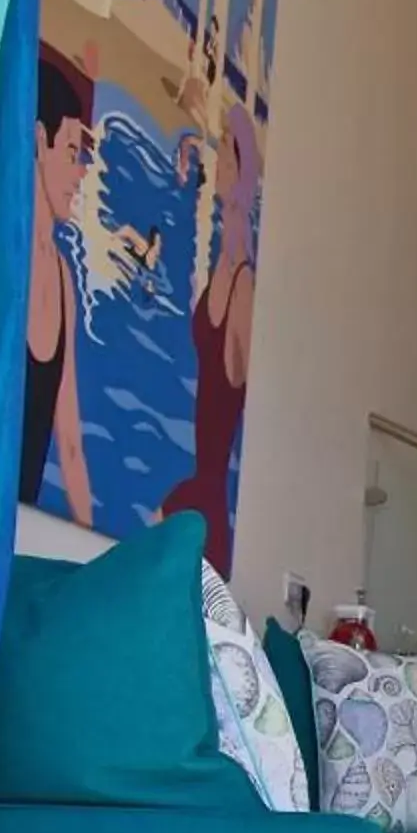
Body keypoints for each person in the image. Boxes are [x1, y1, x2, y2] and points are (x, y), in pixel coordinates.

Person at [162, 99, 259, 571]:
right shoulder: (222, 265)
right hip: (199, 481)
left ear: (242, 178)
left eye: (225, 158)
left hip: (211, 492)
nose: (216, 166)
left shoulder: (244, 287)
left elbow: (246, 390)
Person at [23, 54, 97, 524]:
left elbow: (70, 445)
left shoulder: (64, 280)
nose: (81, 173)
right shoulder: (3, 263)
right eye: (72, 153)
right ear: (38, 142)